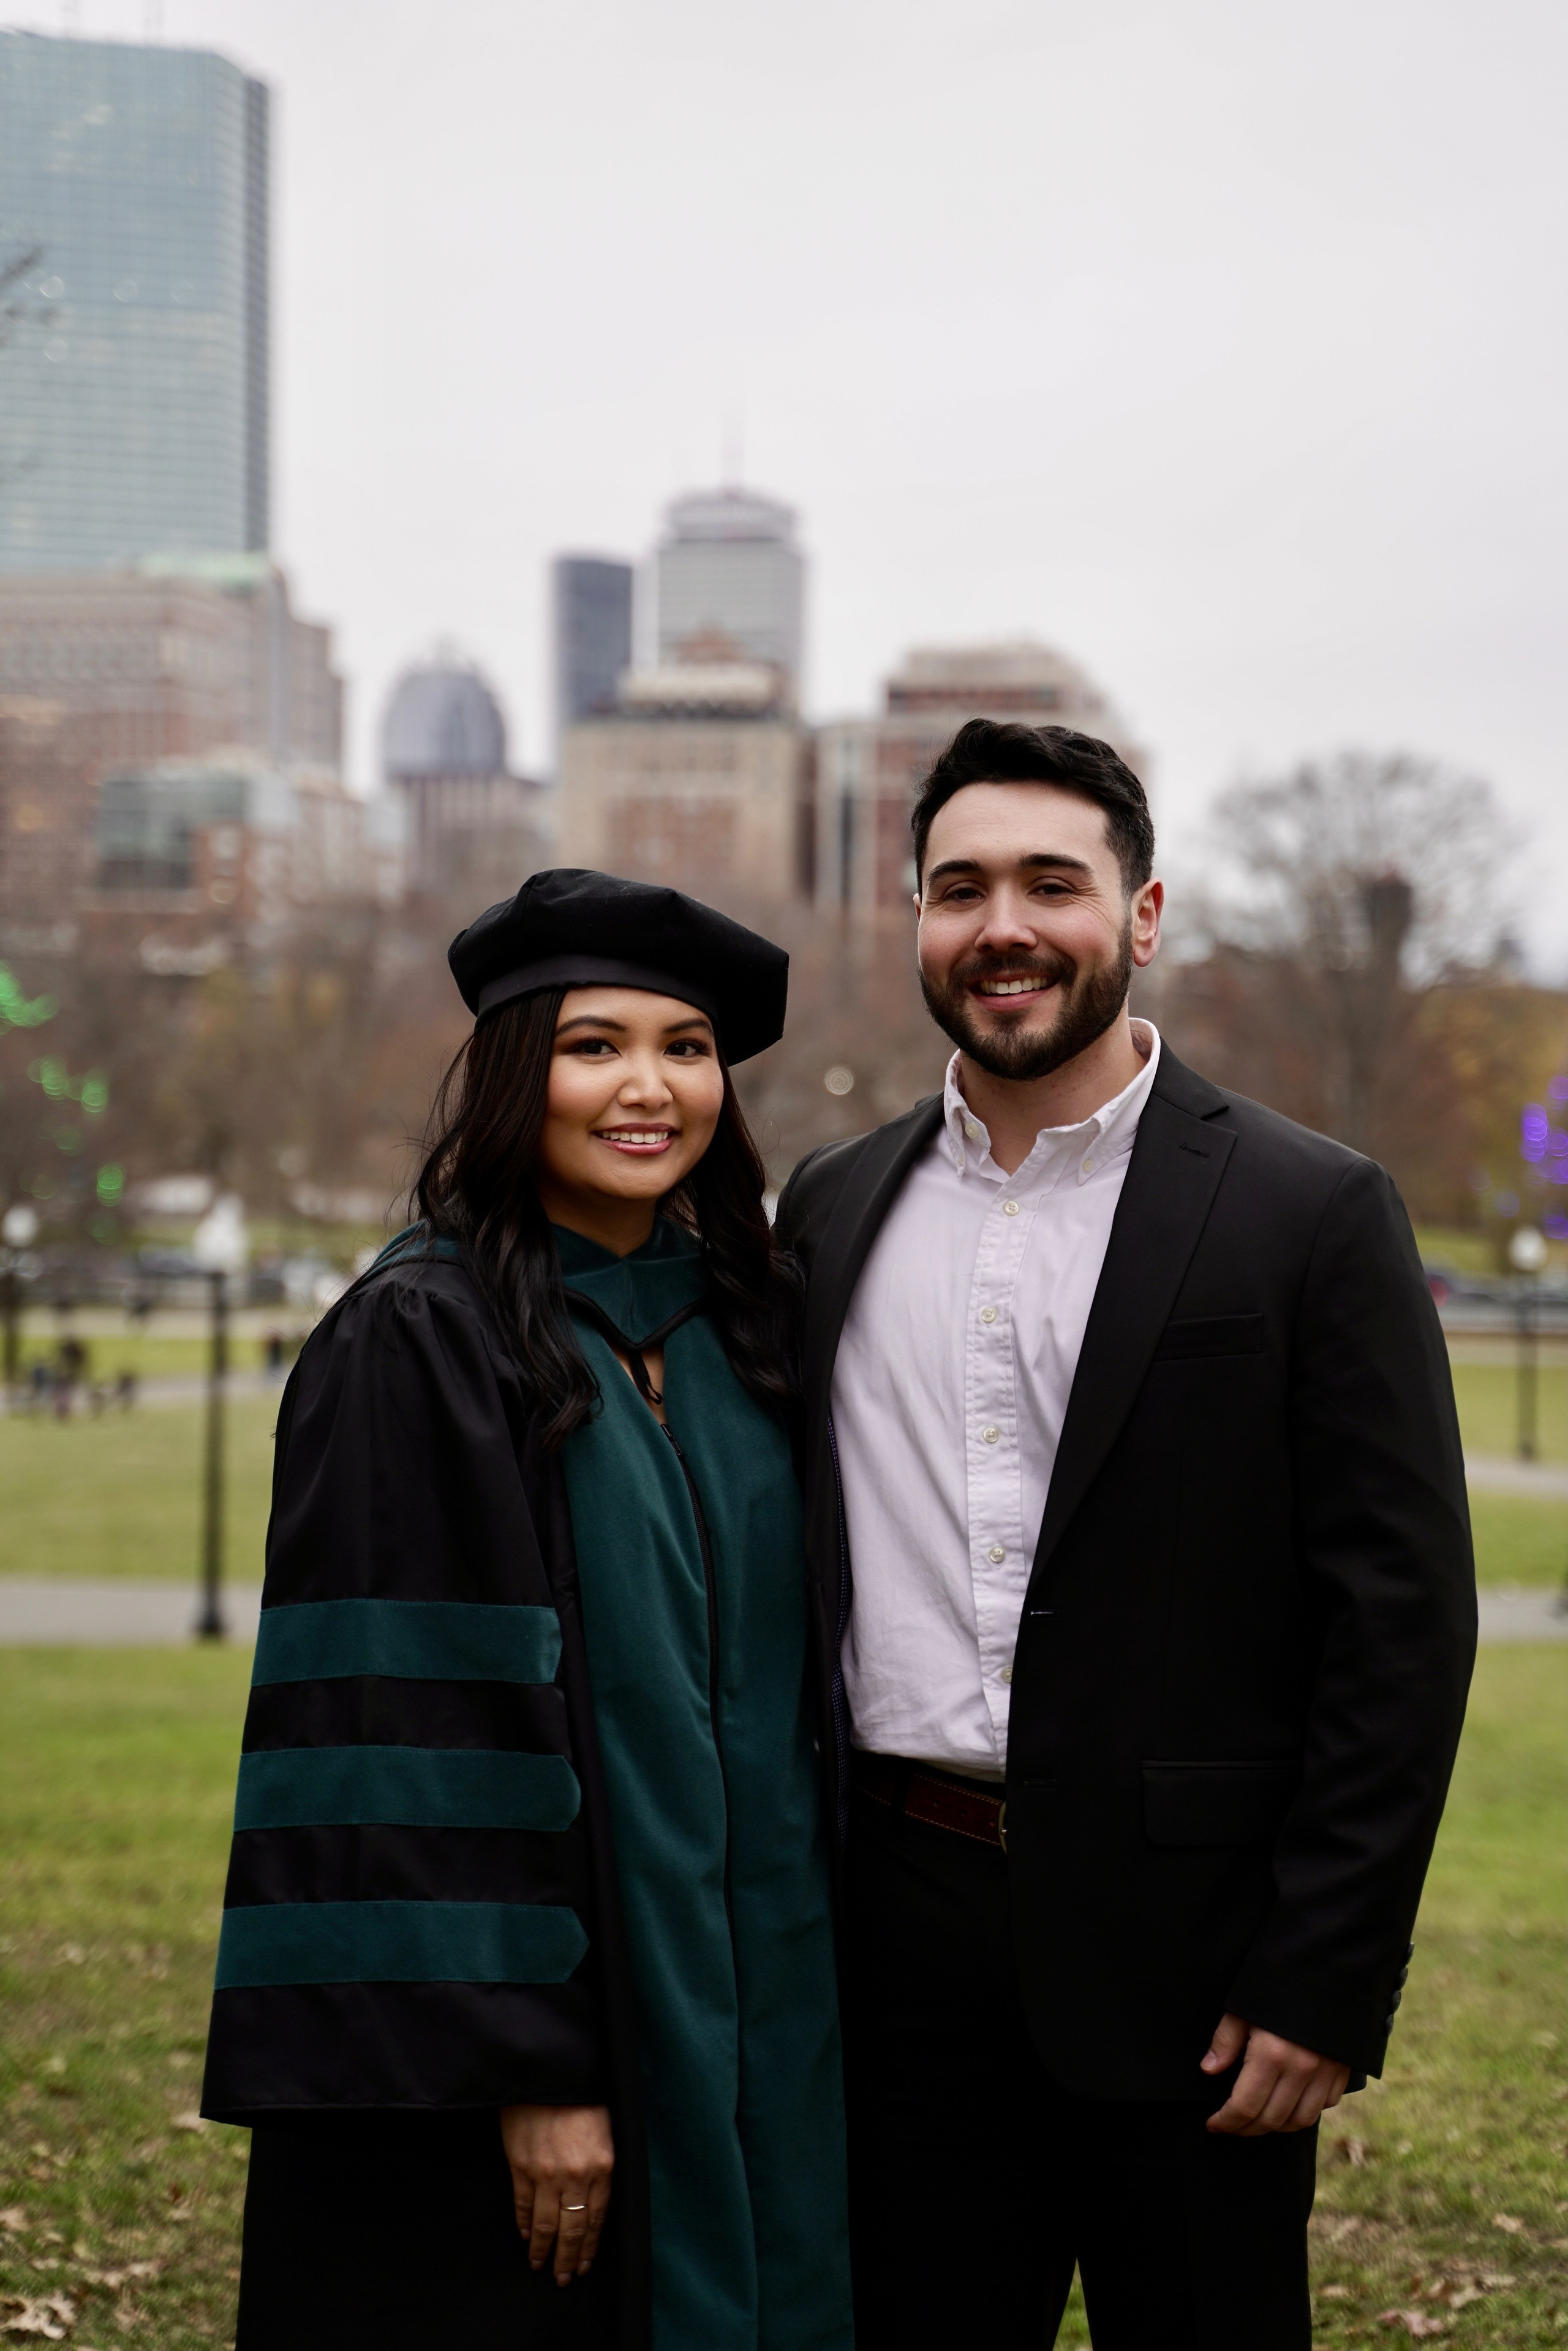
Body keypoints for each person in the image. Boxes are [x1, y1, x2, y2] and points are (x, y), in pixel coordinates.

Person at [775, 720, 1476, 2351]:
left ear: (1142, 914)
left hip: (1207, 1961)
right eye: (959, 886)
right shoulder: (829, 1206)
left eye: (1050, 881)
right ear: (918, 921)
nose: (1002, 923)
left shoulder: (1313, 1210)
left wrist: (1328, 1970)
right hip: (896, 1947)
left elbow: (1402, 1621)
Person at [202, 868, 854, 2351]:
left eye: (686, 1047)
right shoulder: (421, 1335)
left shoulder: (747, 1322)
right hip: (561, 2034)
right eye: (594, 1044)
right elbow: (399, 1733)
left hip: (764, 1999)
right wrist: (534, 2066)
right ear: (516, 1074)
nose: (649, 1086)